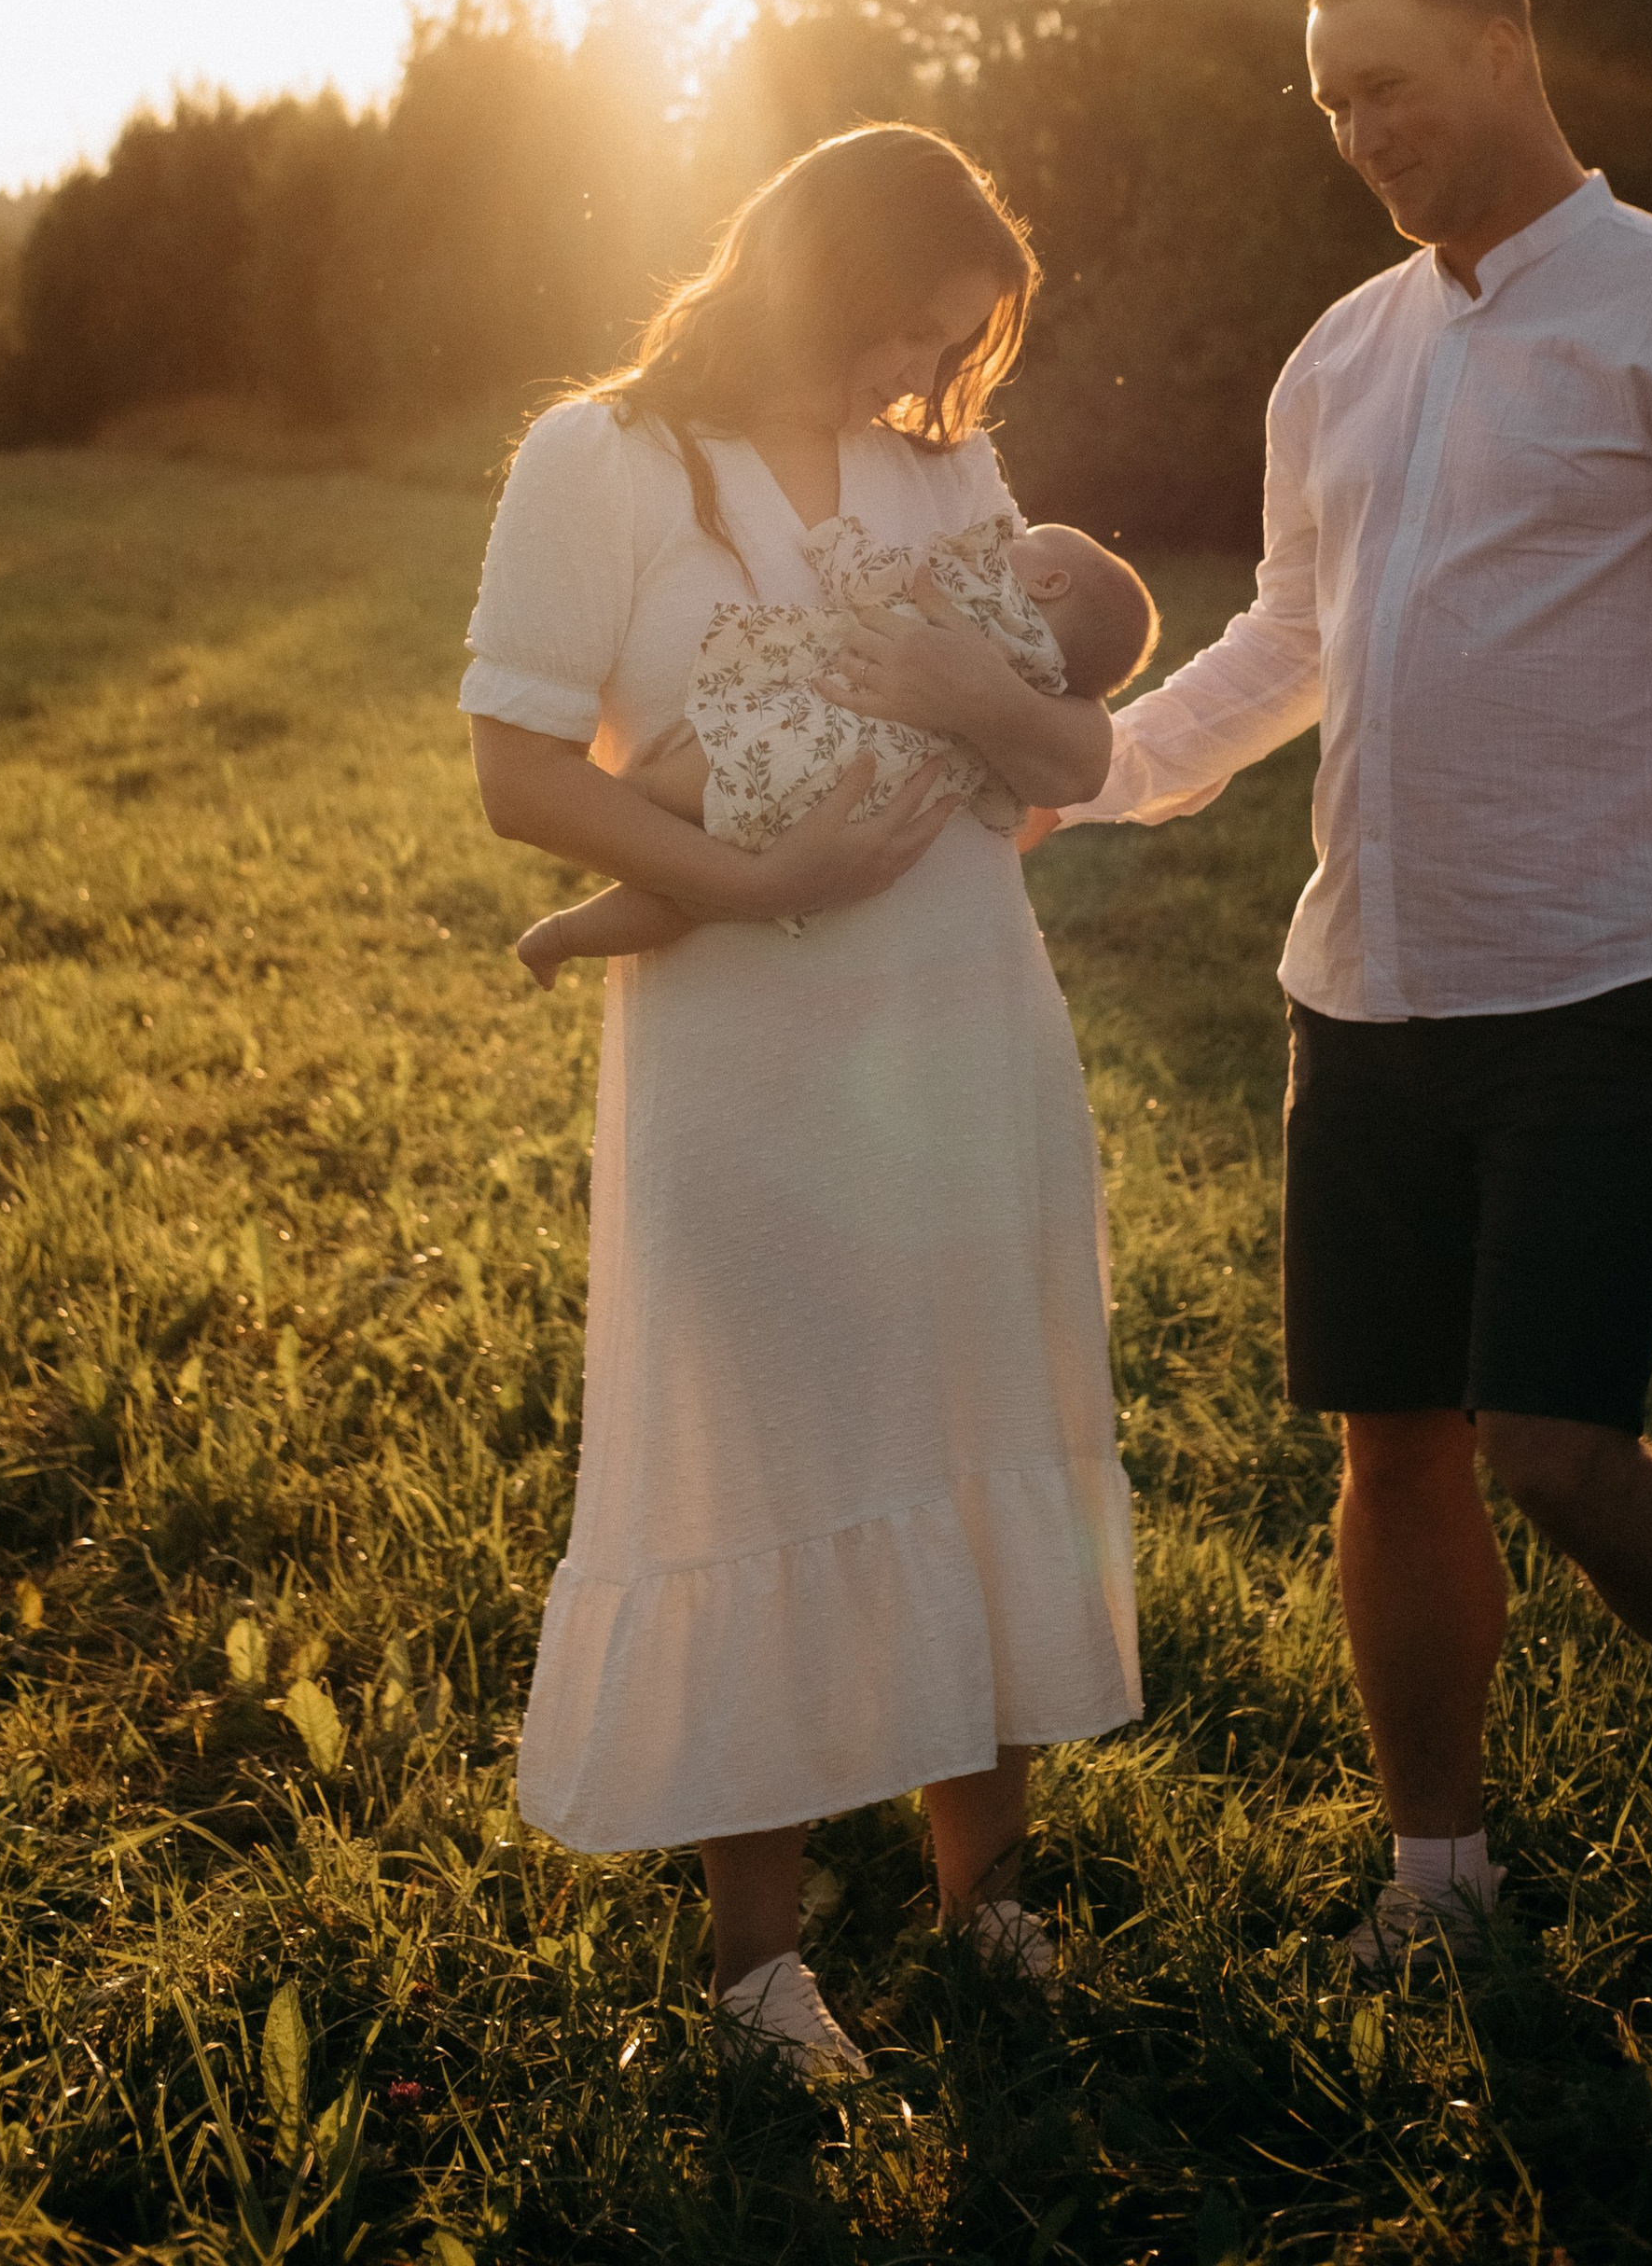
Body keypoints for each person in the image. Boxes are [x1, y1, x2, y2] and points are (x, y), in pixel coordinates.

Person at [991, 0, 1652, 2016]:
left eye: (1388, 86)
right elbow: (1288, 639)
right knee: (1389, 1448)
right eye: (1329, 103)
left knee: (1554, 1451)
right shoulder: (1338, 353)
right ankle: (1439, 1879)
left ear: (1503, 50)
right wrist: (1095, 776)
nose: (1359, 133)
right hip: (1361, 982)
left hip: (1599, 971)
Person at [462, 124, 1143, 2080]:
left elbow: (1067, 751)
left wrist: (962, 689)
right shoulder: (598, 459)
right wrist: (758, 880)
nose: (918, 378)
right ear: (818, 282)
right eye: (905, 332)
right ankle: (758, 1972)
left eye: (948, 347)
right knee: (756, 1456)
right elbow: (518, 772)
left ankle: (986, 1906)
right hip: (741, 1047)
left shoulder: (943, 467)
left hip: (962, 1032)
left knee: (972, 1421)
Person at [515, 510, 1159, 986]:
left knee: (652, 794)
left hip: (794, 746)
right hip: (853, 822)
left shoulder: (978, 592)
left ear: (1049, 582)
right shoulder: (1043, 690)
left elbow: (879, 584)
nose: (1005, 539)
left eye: (1023, 540)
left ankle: (610, 829)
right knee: (690, 905)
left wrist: (834, 540)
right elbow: (1001, 804)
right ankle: (565, 936)